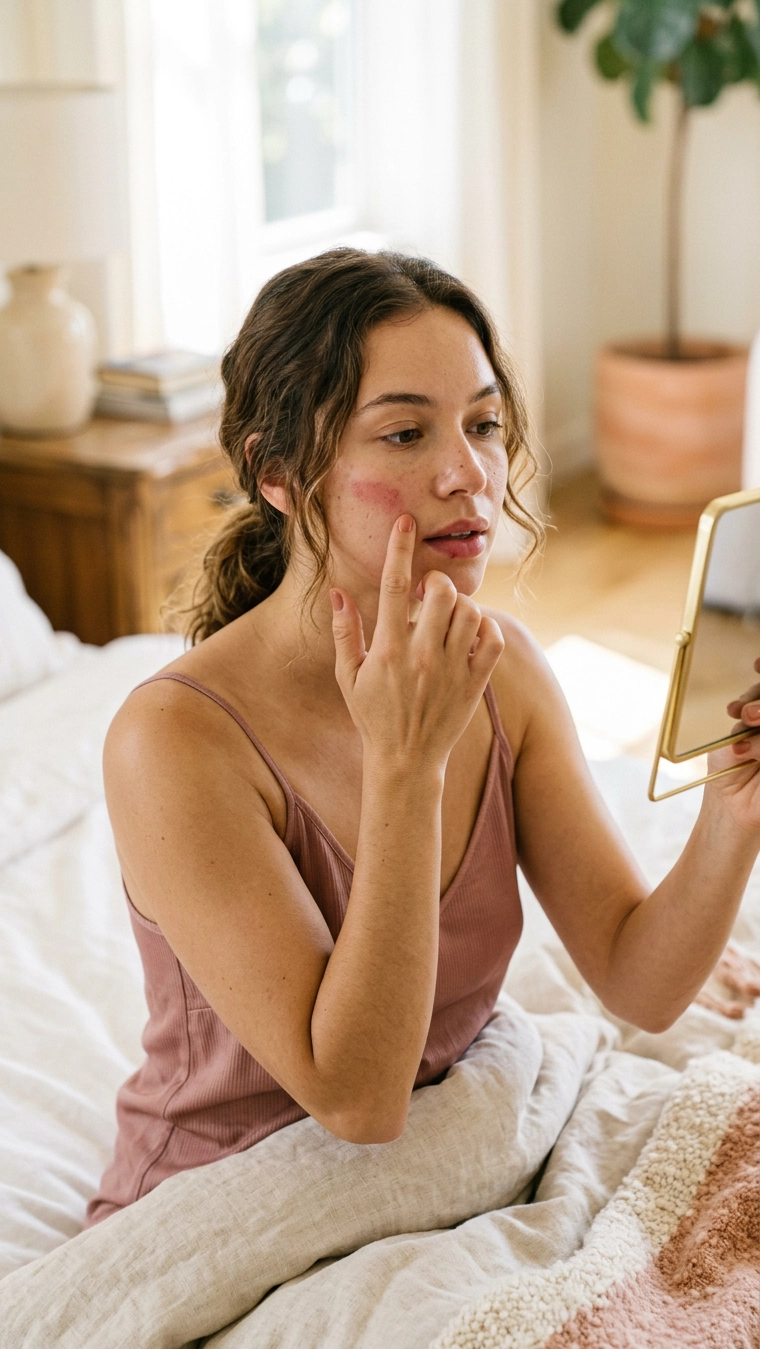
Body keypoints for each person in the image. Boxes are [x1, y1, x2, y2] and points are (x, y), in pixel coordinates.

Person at [86, 249, 760, 1226]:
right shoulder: (174, 742)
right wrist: (407, 768)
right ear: (279, 473)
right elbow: (359, 1100)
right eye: (405, 433)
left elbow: (638, 981)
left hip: (432, 1181)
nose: (469, 474)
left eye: (482, 424)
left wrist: (733, 813)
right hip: (229, 1205)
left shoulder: (506, 670)